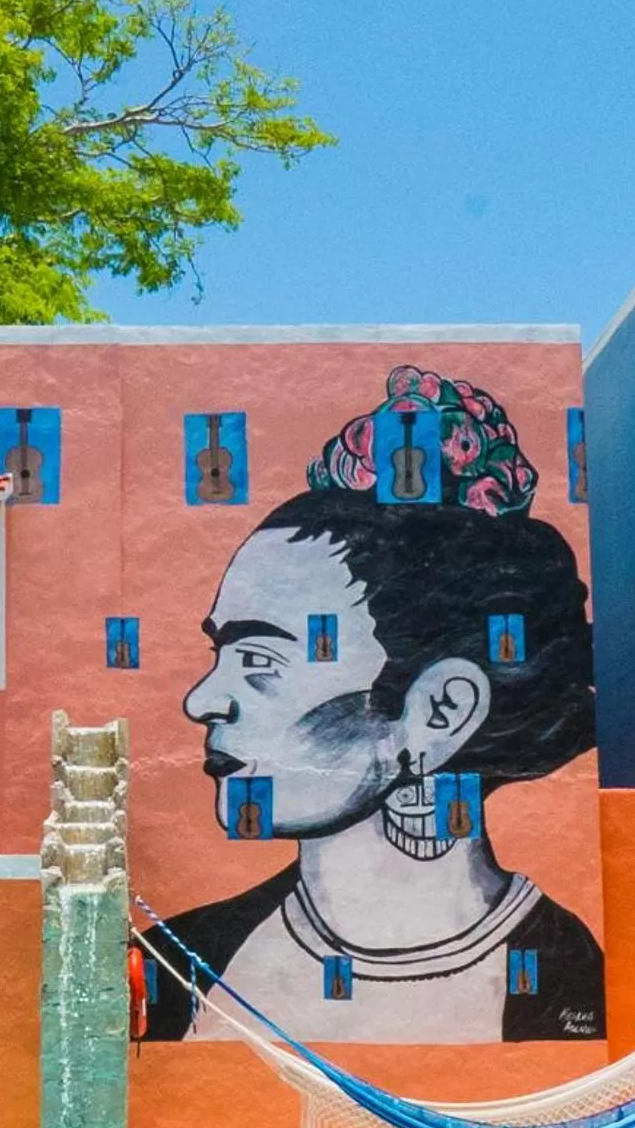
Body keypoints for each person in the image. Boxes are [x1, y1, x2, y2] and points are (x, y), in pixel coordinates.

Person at [144, 367, 604, 1045]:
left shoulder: (565, 983)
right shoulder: (183, 961)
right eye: (219, 655)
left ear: (440, 711)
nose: (201, 699)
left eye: (260, 660)